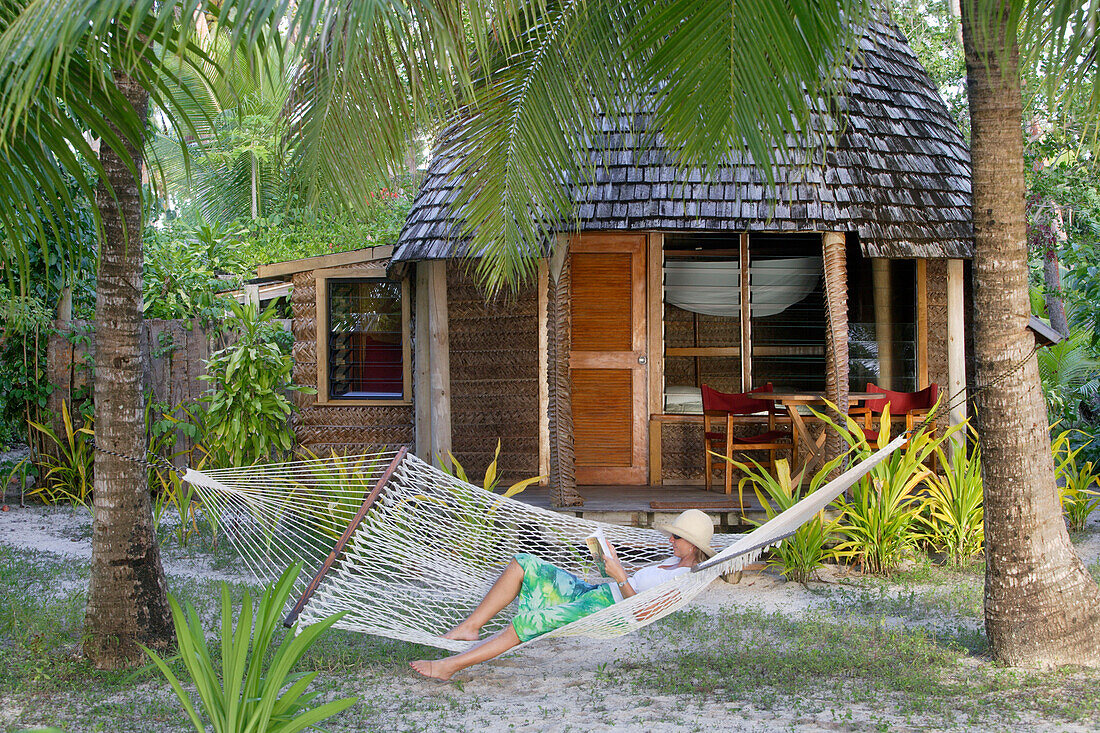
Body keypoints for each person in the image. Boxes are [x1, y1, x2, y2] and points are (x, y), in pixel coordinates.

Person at [410, 509, 716, 681]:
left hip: (607, 610)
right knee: (524, 564)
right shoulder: (674, 561)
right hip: (598, 593)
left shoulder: (683, 580)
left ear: (693, 545)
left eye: (677, 537)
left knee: (530, 622)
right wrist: (612, 563)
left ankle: (448, 667)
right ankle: (470, 627)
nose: (671, 539)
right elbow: (635, 585)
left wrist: (620, 576)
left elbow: (640, 612)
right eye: (673, 534)